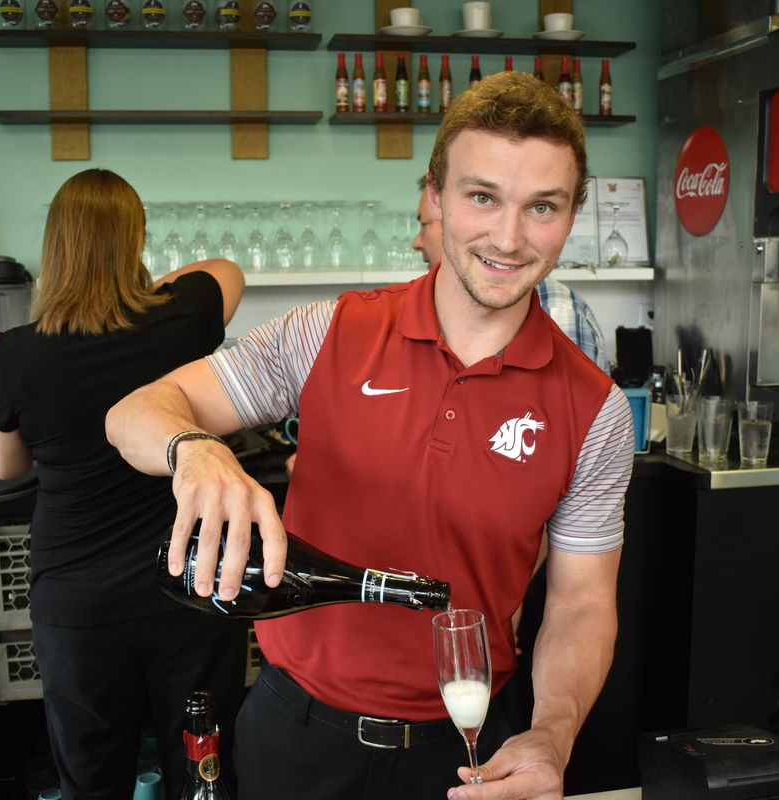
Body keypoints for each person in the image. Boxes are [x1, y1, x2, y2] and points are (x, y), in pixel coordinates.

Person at [106, 73, 634, 800]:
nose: (509, 239)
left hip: (473, 748)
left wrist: (553, 731)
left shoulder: (597, 409)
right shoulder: (330, 332)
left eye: (541, 207)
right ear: (436, 198)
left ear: (571, 215)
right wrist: (194, 450)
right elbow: (135, 410)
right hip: (297, 738)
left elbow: (581, 603)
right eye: (482, 197)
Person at [0, 168, 249, 800]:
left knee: (92, 777)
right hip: (191, 585)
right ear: (136, 239)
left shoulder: (18, 350)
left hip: (78, 601)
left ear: (54, 247)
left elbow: (1, 464)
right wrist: (139, 295)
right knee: (204, 768)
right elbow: (225, 270)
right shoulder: (183, 319)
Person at [414, 173, 609, 371]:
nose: (508, 243)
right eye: (483, 198)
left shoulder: (559, 310)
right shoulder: (395, 314)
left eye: (541, 208)